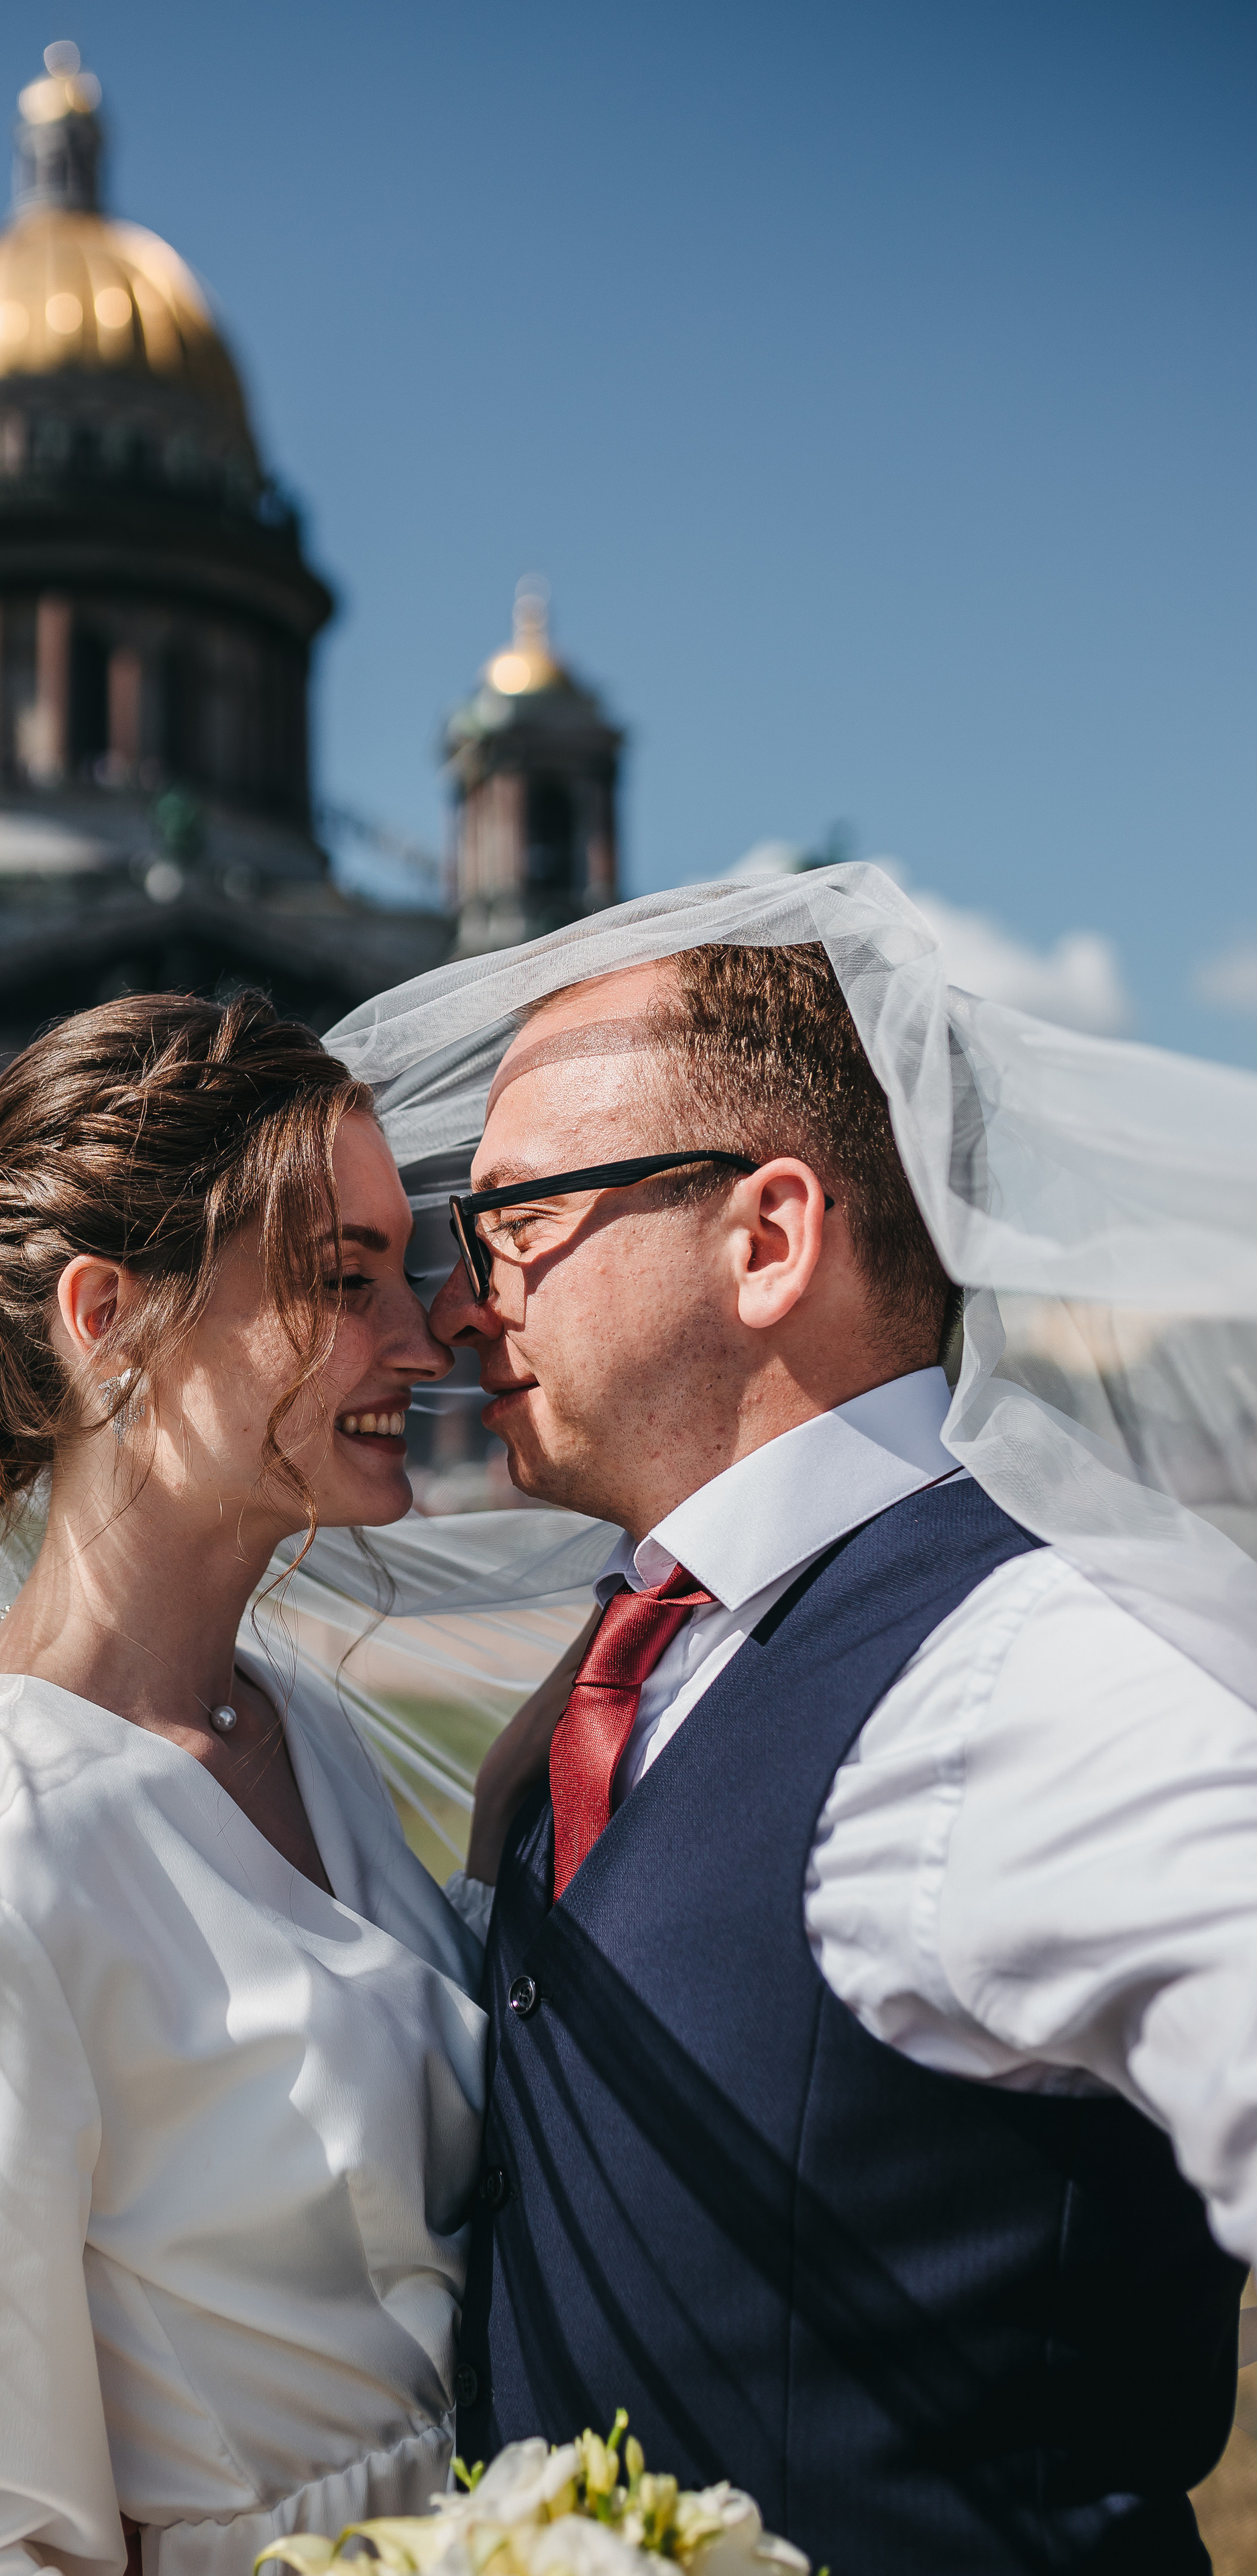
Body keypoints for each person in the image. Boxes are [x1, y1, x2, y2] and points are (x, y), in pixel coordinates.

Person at [427, 942, 1252, 2575]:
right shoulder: (621, 1669)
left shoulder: (1033, 1678)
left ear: (767, 1236)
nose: (461, 1300)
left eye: (516, 1220)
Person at [0, 994, 494, 2576]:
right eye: (340, 1279)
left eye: (406, 1271)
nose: (427, 1337)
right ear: (109, 1319)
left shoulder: (296, 1726)